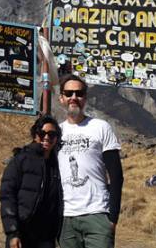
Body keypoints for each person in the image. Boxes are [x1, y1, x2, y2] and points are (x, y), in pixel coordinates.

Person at [57, 73, 123, 248]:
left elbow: (116, 175)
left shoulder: (100, 127)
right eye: (69, 93)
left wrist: (112, 217)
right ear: (61, 98)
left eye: (78, 94)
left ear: (85, 98)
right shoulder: (55, 133)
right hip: (65, 218)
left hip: (97, 214)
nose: (74, 98)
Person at [0, 115, 63, 248]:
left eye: (51, 134)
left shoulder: (58, 163)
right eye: (42, 133)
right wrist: (12, 232)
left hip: (46, 236)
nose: (46, 138)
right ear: (35, 135)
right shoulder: (21, 159)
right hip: (23, 232)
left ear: (56, 138)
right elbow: (7, 196)